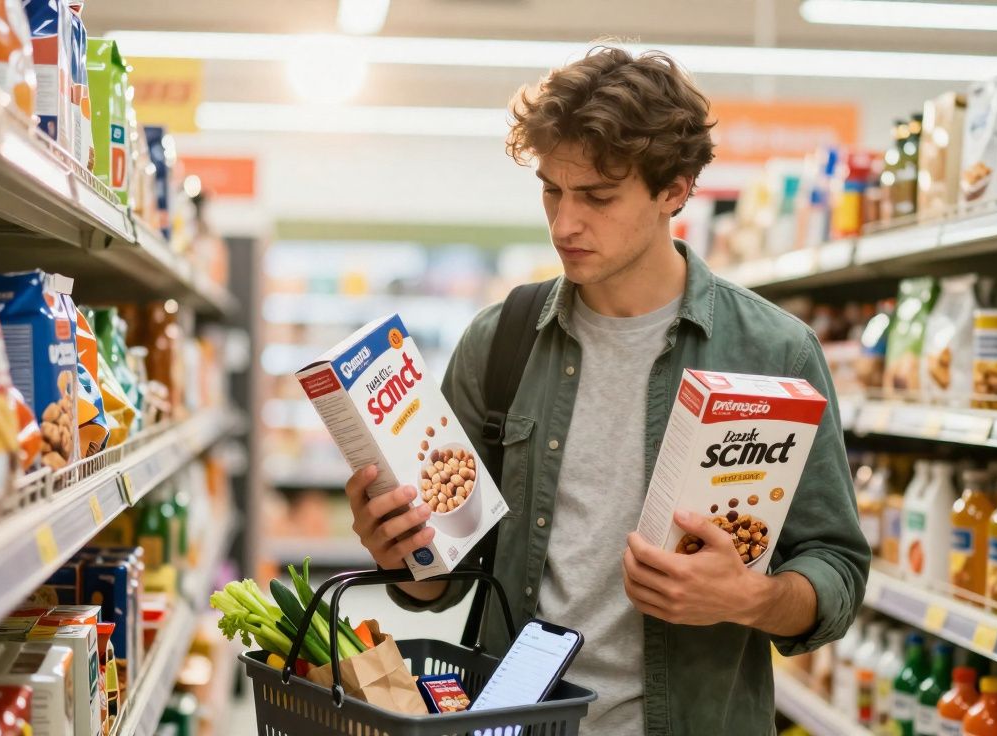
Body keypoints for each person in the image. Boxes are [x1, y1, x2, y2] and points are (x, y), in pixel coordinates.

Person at [342, 46, 870, 735]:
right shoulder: (499, 344)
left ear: (675, 190)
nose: (564, 224)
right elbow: (447, 574)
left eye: (597, 196)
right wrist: (403, 552)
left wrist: (750, 598)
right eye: (552, 192)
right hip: (519, 722)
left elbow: (836, 567)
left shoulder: (773, 353)